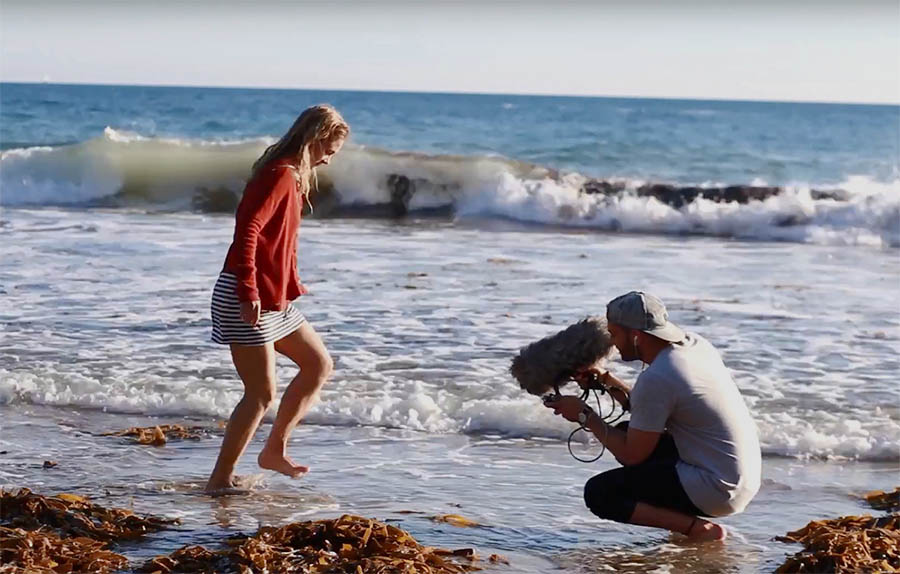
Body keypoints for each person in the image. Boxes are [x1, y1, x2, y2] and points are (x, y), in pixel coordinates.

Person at [205, 105, 349, 493]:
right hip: (244, 293)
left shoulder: (292, 177)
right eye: (329, 150)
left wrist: (285, 286)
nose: (329, 159)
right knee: (260, 394)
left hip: (272, 300)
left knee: (318, 364)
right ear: (315, 138)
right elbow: (247, 230)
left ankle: (274, 449)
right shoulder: (279, 175)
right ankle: (219, 480)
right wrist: (249, 289)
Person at [545, 291, 761, 542]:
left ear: (635, 335)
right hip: (740, 477)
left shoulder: (657, 377)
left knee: (600, 493)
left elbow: (631, 455)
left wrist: (585, 416)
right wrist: (607, 380)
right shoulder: (694, 346)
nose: (613, 344)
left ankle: (698, 530)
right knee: (629, 430)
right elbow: (654, 408)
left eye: (614, 334)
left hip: (718, 490)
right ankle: (684, 515)